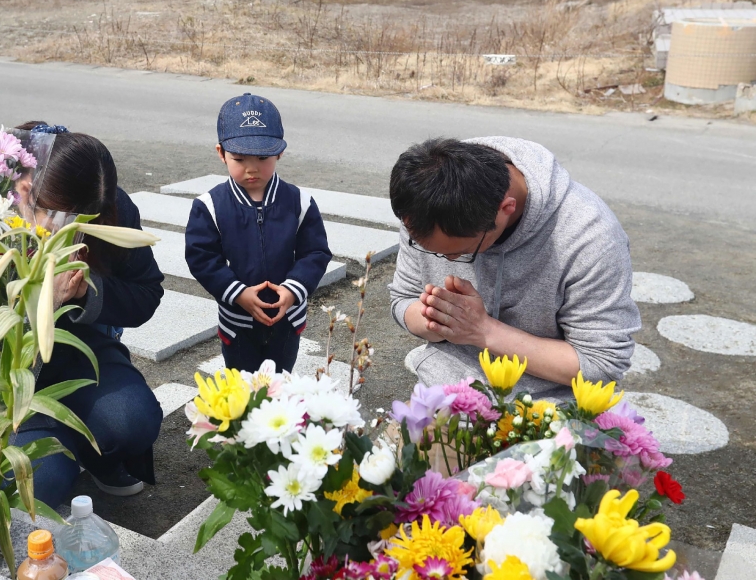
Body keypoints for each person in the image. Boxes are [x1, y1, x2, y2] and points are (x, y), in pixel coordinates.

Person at [388, 137, 641, 400]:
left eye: (462, 253)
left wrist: (484, 331)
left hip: (545, 407)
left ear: (506, 208)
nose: (446, 261)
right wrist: (439, 319)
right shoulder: (425, 201)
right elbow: (402, 300)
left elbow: (601, 365)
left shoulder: (590, 237)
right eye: (428, 249)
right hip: (447, 394)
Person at [11, 122, 164, 506]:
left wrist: (83, 291)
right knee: (40, 483)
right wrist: (40, 303)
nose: (67, 229)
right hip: (5, 372)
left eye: (85, 220)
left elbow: (146, 292)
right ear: (26, 188)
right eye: (55, 215)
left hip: (76, 351)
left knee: (132, 421)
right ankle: (53, 439)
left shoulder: (107, 206)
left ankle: (92, 447)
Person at [185, 93, 332, 373]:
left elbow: (315, 252)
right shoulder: (210, 206)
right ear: (221, 153)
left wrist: (292, 290)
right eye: (239, 158)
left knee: (280, 383)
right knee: (241, 390)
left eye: (263, 157)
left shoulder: (299, 202)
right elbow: (202, 258)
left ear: (279, 152)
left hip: (287, 318)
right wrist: (238, 293)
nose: (252, 168)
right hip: (237, 322)